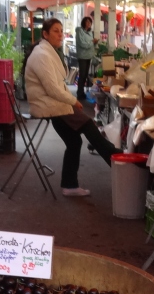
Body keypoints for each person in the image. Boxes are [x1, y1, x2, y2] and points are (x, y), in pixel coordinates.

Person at [25, 16, 117, 197]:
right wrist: (73, 101)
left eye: (61, 31)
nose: (60, 35)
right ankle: (115, 158)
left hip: (52, 103)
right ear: (45, 34)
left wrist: (70, 99)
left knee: (75, 141)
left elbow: (58, 86)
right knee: (88, 125)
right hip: (48, 104)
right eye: (55, 31)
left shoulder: (47, 51)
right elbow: (53, 89)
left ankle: (70, 185)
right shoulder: (42, 55)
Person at [74, 15, 95, 102]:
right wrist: (92, 42)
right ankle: (79, 93)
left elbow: (90, 43)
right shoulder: (79, 31)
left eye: (90, 22)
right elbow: (82, 44)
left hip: (88, 56)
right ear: (84, 23)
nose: (89, 23)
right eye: (87, 22)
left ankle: (82, 92)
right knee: (82, 75)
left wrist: (94, 42)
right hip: (82, 56)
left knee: (85, 75)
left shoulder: (90, 32)